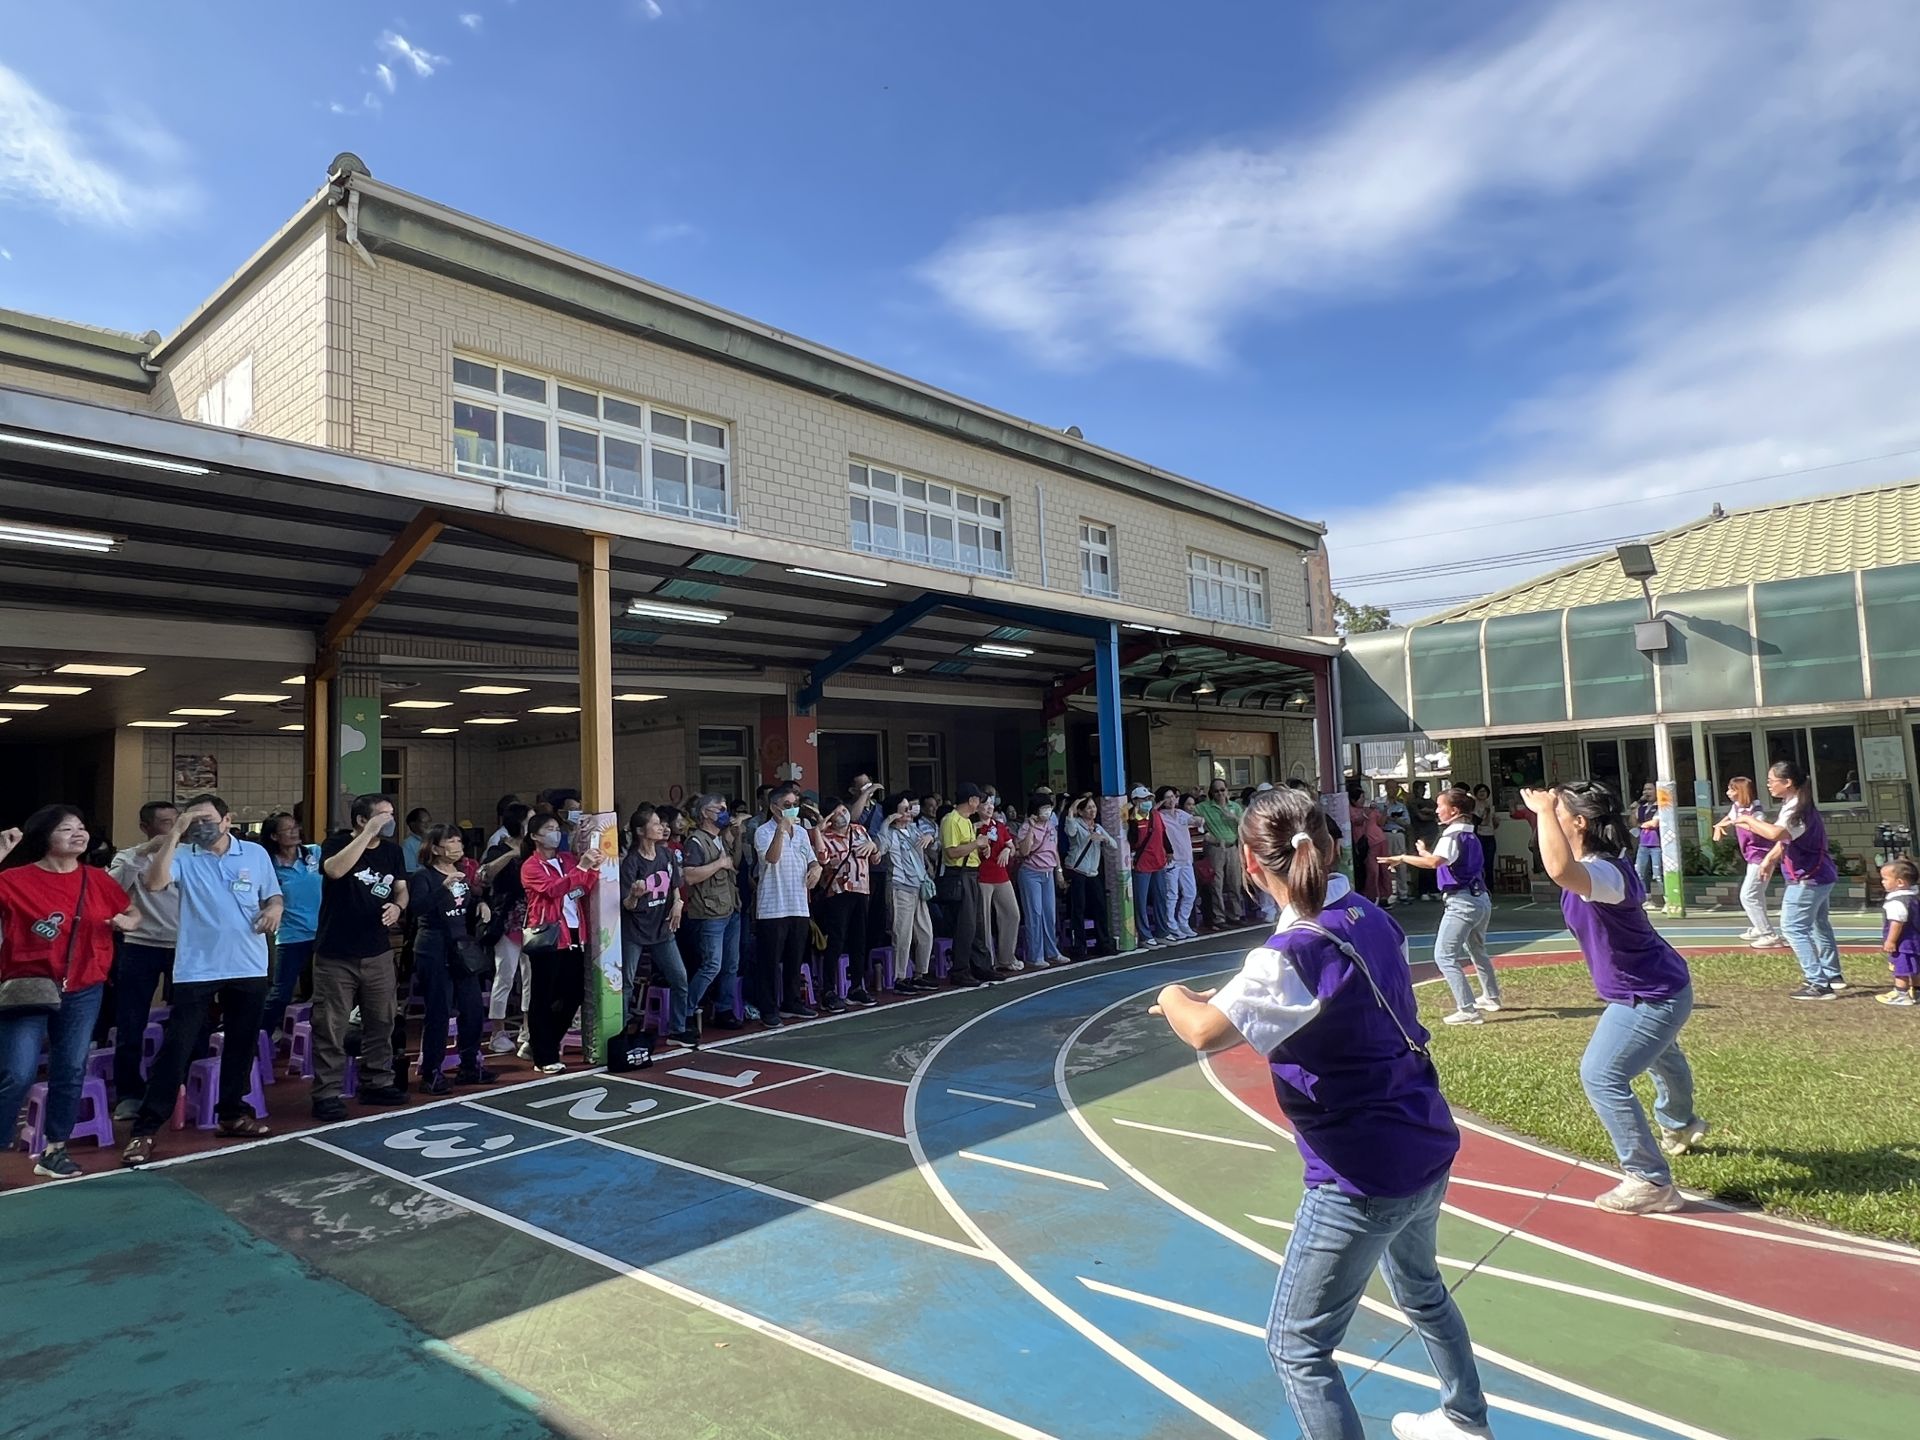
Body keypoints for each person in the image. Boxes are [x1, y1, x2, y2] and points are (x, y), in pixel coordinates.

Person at [1151, 787, 1491, 1440]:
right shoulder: (1367, 915)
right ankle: (1465, 1418)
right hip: (1423, 1137)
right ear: (1332, 848)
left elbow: (1202, 1031)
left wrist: (1171, 995)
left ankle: (1464, 1419)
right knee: (1422, 1290)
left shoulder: (1290, 954)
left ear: (1252, 865)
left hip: (1358, 1172)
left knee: (1298, 1347)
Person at [1524, 781, 1708, 1213]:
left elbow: (1558, 870)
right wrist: (1550, 812)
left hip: (1650, 994)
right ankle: (1681, 1123)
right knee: (1664, 1058)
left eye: (1558, 812)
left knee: (1601, 1075)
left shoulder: (1604, 873)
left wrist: (1543, 811)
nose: (1548, 816)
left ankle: (1650, 1180)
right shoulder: (1600, 867)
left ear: (1579, 823)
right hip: (1661, 984)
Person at [122, 794, 282, 1165]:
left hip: (249, 963)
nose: (202, 826)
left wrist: (275, 907)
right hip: (197, 967)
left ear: (228, 820)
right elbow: (155, 883)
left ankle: (232, 1114)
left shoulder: (255, 853)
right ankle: (145, 1129)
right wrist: (175, 834)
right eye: (194, 820)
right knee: (178, 1046)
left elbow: (272, 893)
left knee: (241, 1042)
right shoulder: (182, 854)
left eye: (208, 819)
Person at [0, 810, 139, 1182]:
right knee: (16, 1072)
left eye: (81, 827)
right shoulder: (14, 879)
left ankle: (55, 1151)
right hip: (28, 986)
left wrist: (127, 922)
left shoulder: (97, 878)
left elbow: (132, 912)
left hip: (85, 986)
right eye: (66, 828)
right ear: (44, 836)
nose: (79, 833)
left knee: (71, 1068)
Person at [311, 793, 410, 1120]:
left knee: (382, 1020)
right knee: (331, 1025)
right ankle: (327, 1092)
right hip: (336, 953)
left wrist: (398, 907)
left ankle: (377, 1081)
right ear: (361, 820)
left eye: (391, 814)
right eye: (383, 815)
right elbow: (334, 871)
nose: (389, 820)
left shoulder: (393, 852)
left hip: (378, 950)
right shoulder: (336, 843)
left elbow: (401, 889)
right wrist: (368, 834)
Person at [1383, 787, 1502, 1024]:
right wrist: (1424, 853)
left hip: (1462, 902)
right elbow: (1441, 860)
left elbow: (1435, 863)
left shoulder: (1451, 836)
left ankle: (1468, 1010)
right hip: (1480, 899)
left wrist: (1403, 857)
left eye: (1440, 806)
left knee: (1444, 956)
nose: (1436, 810)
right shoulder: (1469, 834)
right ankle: (1491, 996)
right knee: (1476, 949)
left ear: (1454, 810)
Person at [1735, 760, 1843, 999]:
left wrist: (1749, 820)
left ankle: (1818, 983)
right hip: (1819, 874)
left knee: (1793, 927)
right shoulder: (1795, 804)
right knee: (1819, 924)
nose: (1768, 785)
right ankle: (1832, 975)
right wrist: (1770, 859)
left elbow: (1777, 833)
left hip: (1808, 877)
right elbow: (1786, 839)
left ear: (1788, 782)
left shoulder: (1798, 809)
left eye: (1772, 781)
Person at [106, 800, 180, 1120]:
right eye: (165, 823)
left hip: (184, 946)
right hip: (140, 945)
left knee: (190, 1018)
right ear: (145, 827)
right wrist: (142, 853)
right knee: (130, 1021)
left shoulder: (188, 855)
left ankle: (179, 1083)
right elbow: (109, 891)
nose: (174, 828)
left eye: (177, 821)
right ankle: (128, 1093)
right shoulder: (128, 857)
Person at [410, 823, 493, 1092]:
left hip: (461, 948)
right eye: (452, 841)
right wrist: (443, 888)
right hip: (433, 948)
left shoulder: (461, 874)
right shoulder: (423, 876)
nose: (458, 845)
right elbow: (416, 908)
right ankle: (432, 1071)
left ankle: (470, 1064)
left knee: (472, 1008)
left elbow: (464, 905)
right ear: (435, 848)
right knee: (439, 1011)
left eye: (459, 841)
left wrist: (480, 904)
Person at [519, 810, 598, 1072]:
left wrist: (586, 871)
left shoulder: (566, 859)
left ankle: (542, 1042)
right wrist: (581, 870)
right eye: (549, 829)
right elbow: (552, 890)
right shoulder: (530, 866)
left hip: (574, 933)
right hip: (547, 935)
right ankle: (545, 1056)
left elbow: (581, 887)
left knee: (573, 993)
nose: (556, 834)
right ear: (535, 836)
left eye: (557, 828)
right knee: (543, 995)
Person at [620, 804, 694, 1041]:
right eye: (655, 824)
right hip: (635, 930)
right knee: (626, 983)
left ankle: (678, 1029)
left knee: (680, 978)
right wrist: (635, 895)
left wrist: (678, 903)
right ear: (641, 831)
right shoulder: (631, 862)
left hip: (662, 928)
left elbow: (675, 886)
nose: (661, 827)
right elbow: (626, 905)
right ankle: (620, 1032)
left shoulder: (666, 854)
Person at [754, 782, 821, 1023]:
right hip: (772, 907)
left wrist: (816, 868)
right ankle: (768, 1009)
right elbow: (771, 858)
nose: (793, 809)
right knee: (770, 962)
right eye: (787, 805)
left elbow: (812, 859)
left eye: (795, 804)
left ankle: (792, 1002)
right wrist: (781, 830)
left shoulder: (801, 832)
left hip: (799, 904)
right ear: (774, 807)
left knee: (795, 958)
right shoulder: (763, 832)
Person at [680, 793, 743, 1027]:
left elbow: (735, 864)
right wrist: (719, 863)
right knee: (711, 965)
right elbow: (689, 875)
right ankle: (686, 1010)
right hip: (709, 913)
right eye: (720, 809)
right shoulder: (695, 841)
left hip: (730, 907)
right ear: (705, 813)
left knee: (731, 964)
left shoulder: (720, 839)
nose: (725, 813)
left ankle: (724, 1009)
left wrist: (737, 837)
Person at [811, 798, 880, 1009]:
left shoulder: (859, 830)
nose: (843, 814)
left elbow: (875, 859)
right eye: (837, 812)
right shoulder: (823, 835)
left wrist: (873, 847)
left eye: (843, 810)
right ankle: (828, 990)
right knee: (836, 941)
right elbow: (822, 859)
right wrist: (818, 831)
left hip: (862, 890)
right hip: (838, 893)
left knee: (859, 940)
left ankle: (857, 987)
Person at [260, 811, 323, 1039]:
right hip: (291, 934)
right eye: (287, 829)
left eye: (295, 826)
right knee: (281, 992)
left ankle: (314, 1036)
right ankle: (260, 1037)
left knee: (325, 990)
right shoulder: (268, 865)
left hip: (323, 932)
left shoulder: (314, 853)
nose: (295, 831)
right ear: (274, 836)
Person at [482, 803, 532, 1053]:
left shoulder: (535, 849)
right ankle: (497, 1031)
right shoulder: (498, 848)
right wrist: (512, 855)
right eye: (530, 820)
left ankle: (527, 1028)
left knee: (531, 977)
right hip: (507, 919)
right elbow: (486, 875)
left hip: (533, 919)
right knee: (505, 974)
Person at [1710, 777, 1781, 950]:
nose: (1728, 793)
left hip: (1762, 857)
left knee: (1748, 896)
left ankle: (1769, 935)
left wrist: (1738, 822)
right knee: (1757, 895)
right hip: (1752, 857)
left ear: (1741, 791)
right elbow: (1729, 817)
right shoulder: (1737, 807)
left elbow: (1757, 827)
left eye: (1732, 789)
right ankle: (1759, 927)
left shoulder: (1756, 811)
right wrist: (1720, 826)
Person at [940, 783, 996, 986]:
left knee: (977, 924)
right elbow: (951, 852)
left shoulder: (967, 821)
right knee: (966, 925)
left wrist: (982, 849)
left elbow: (968, 849)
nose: (980, 803)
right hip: (960, 874)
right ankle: (960, 970)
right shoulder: (951, 820)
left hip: (972, 873)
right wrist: (976, 844)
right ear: (972, 800)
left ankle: (981, 966)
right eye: (979, 799)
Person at [881, 792, 936, 989]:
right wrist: (886, 822)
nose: (909, 812)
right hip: (900, 888)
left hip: (918, 887)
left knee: (926, 933)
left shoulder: (913, 829)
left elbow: (935, 843)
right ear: (894, 814)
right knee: (902, 935)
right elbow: (880, 848)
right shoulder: (889, 833)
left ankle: (921, 973)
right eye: (904, 809)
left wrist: (930, 836)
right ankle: (900, 978)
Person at [1061, 794, 1118, 960]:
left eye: (1094, 807)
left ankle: (1103, 943)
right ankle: (1079, 947)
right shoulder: (1075, 824)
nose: (1092, 811)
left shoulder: (1098, 827)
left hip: (1093, 872)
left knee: (1100, 907)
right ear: (1080, 811)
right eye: (1088, 808)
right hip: (1078, 871)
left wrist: (1103, 838)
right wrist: (1071, 810)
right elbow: (1070, 831)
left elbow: (1114, 845)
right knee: (1078, 909)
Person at [1014, 791, 1066, 970]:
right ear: (1035, 810)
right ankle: (1036, 956)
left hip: (1048, 873)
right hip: (1031, 873)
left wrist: (1059, 871)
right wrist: (1030, 827)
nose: (1048, 811)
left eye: (1049, 807)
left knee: (1049, 914)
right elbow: (1025, 851)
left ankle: (1052, 951)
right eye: (1044, 808)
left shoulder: (1051, 826)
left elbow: (1054, 849)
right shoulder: (1025, 827)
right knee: (1034, 914)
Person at [1194, 780, 1247, 926]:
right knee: (1216, 884)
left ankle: (1235, 914)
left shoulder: (1235, 807)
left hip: (1232, 847)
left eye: (1222, 790)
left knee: (1235, 883)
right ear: (1212, 792)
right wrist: (1205, 832)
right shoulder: (1204, 807)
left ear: (1227, 790)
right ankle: (1219, 917)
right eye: (1216, 791)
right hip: (1215, 848)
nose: (1220, 793)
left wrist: (1233, 817)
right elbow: (1190, 814)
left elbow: (1246, 824)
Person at [1127, 785, 1170, 948]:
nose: (1147, 802)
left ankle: (1162, 932)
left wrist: (1169, 851)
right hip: (1142, 864)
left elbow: (1163, 834)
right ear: (1135, 801)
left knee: (1161, 898)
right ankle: (1145, 935)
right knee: (1141, 901)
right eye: (1143, 799)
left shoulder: (1156, 815)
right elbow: (1132, 840)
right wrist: (1132, 816)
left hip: (1159, 861)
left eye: (1149, 798)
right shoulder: (1132, 818)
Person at [1877, 858, 1919, 1007]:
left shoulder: (1896, 902)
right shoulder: (1914, 897)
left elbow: (1897, 923)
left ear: (1900, 882)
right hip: (1915, 941)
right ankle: (1917, 992)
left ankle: (1902, 994)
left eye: (1885, 879)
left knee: (1901, 969)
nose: (1882, 882)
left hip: (1902, 944)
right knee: (1915, 967)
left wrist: (1891, 941)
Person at [1160, 787, 1199, 940]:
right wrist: (1159, 804)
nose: (1171, 800)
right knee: (1172, 895)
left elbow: (1193, 820)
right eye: (1167, 797)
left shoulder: (1181, 813)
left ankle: (1183, 922)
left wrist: (1198, 820)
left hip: (1186, 859)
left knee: (1190, 893)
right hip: (1172, 861)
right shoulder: (1160, 816)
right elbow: (1152, 814)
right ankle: (1171, 924)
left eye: (1173, 797)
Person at [1632, 783, 1663, 905]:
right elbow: (1632, 823)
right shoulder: (1642, 808)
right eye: (1645, 789)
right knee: (1640, 872)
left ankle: (1666, 899)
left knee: (1657, 873)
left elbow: (1654, 823)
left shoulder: (1660, 806)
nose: (1646, 792)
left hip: (1656, 844)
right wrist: (1634, 809)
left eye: (1650, 789)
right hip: (1643, 844)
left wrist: (1641, 825)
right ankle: (1646, 898)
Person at [1471, 784, 1499, 886]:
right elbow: (1481, 822)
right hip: (1480, 835)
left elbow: (1493, 823)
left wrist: (1496, 821)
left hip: (1490, 835)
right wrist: (1486, 813)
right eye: (1480, 791)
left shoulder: (1490, 805)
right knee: (1480, 861)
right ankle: (1480, 884)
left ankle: (1490, 885)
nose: (1483, 793)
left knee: (1490, 861)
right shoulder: (1474, 807)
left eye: (1484, 791)